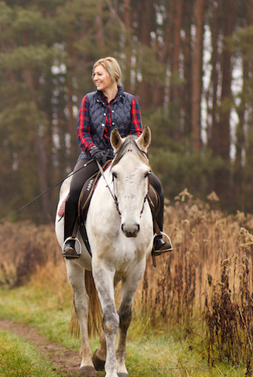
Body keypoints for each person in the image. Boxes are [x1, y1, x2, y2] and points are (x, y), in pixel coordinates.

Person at [61, 57, 172, 259]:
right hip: (91, 157)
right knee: (75, 188)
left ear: (112, 75)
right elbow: (82, 132)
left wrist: (121, 152)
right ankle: (70, 239)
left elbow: (137, 132)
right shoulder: (88, 100)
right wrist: (93, 149)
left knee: (156, 186)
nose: (95, 78)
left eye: (99, 74)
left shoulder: (130, 101)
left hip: (123, 159)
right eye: (94, 74)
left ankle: (158, 237)